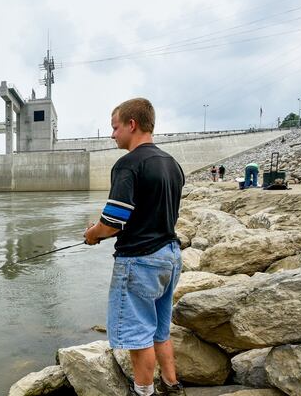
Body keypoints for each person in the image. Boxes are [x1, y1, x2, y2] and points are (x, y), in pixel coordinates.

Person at [84, 98, 186, 396]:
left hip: (140, 261)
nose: (112, 135)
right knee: (160, 330)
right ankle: (172, 385)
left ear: (132, 124)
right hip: (170, 255)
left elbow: (113, 222)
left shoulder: (128, 164)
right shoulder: (172, 164)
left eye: (115, 128)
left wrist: (92, 234)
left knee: (138, 338)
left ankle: (143, 392)